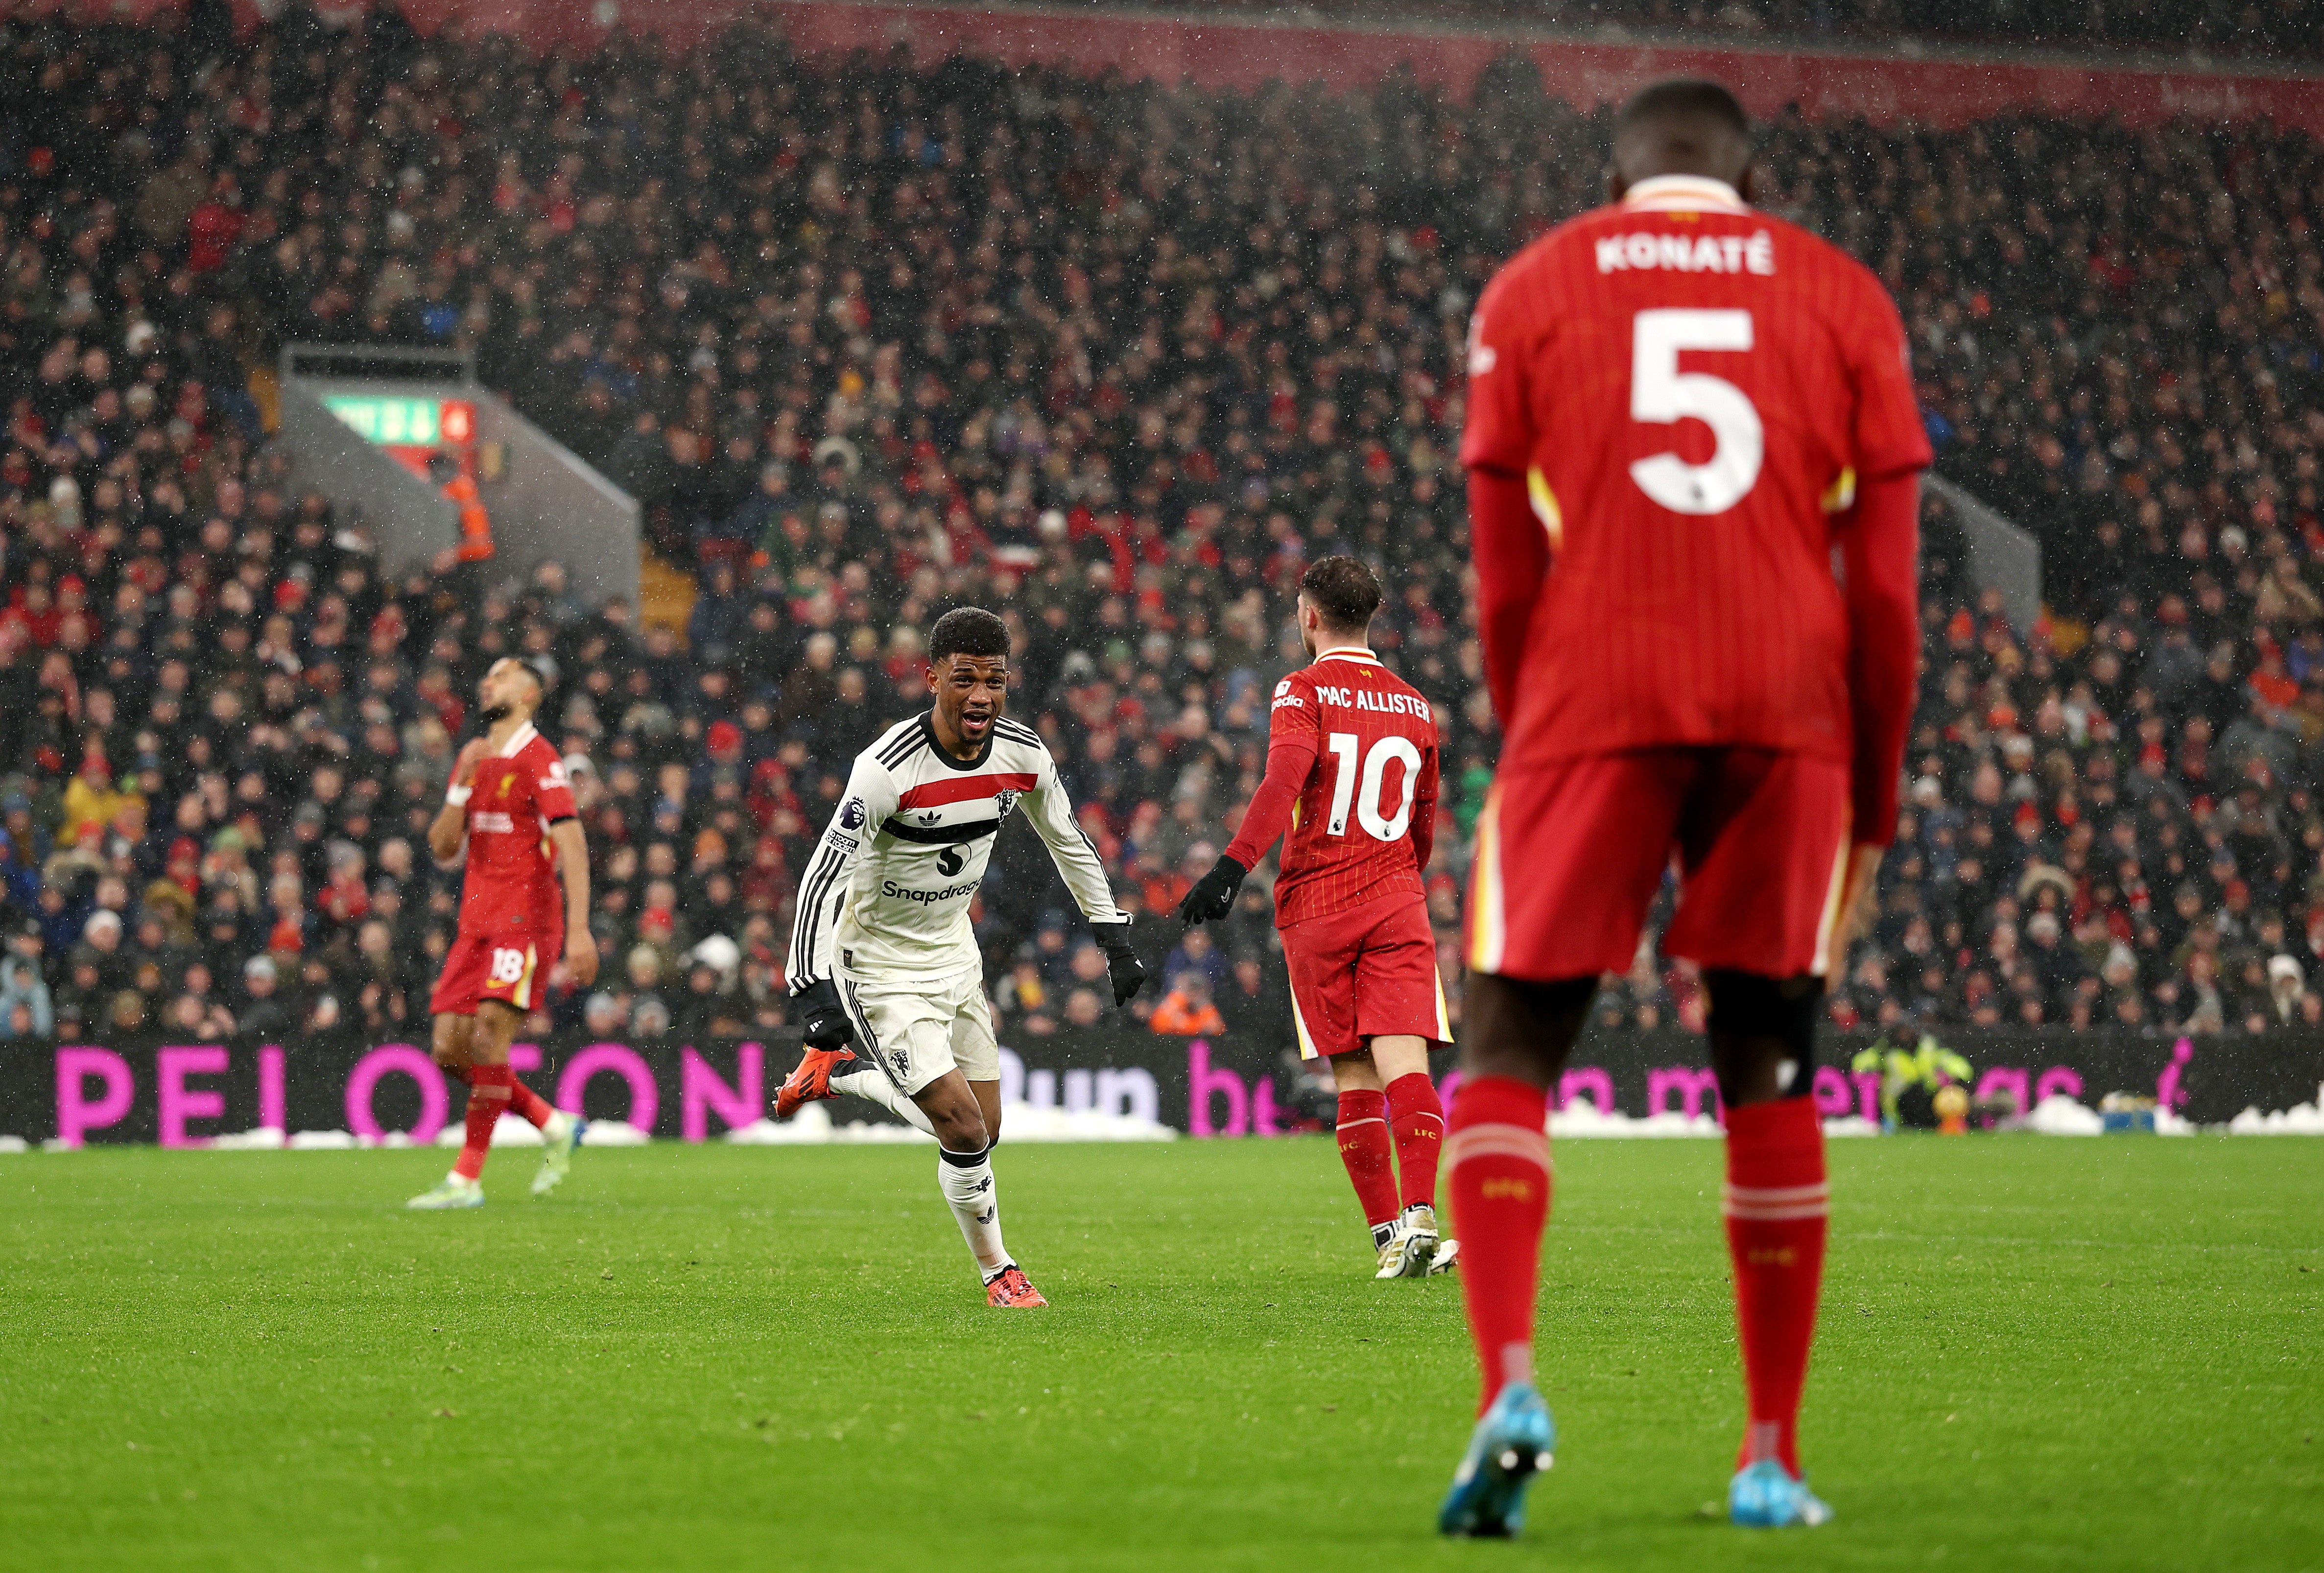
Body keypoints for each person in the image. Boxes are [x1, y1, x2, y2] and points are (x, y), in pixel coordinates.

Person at [1441, 80, 1927, 1535]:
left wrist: (1536, 731)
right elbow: (1888, 591)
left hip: (1591, 692)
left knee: (1511, 1031)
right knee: (1769, 1055)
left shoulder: (1533, 286)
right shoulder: (1841, 296)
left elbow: (1499, 566)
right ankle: (1769, 1451)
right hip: (1788, 712)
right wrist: (1877, 788)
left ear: (1622, 173)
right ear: (1742, 173)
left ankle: (1508, 1383)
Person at [774, 607, 1145, 1307]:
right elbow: (824, 874)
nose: (981, 696)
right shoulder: (885, 770)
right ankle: (998, 1272)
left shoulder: (1022, 756)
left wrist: (1111, 933)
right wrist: (810, 987)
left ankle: (834, 1081)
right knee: (963, 1127)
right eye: (965, 679)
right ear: (932, 678)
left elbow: (1067, 840)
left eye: (995, 682)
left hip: (954, 955)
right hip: (876, 964)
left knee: (984, 1128)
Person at [1180, 556, 1457, 1280]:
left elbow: (1282, 782)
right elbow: (1423, 825)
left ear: (1308, 617)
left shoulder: (1299, 690)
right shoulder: (1414, 704)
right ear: (1371, 617)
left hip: (1318, 907)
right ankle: (1424, 1212)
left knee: (1355, 1076)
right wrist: (1396, 873)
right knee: (1407, 1061)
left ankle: (1388, 1237)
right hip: (1397, 896)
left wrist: (1231, 867)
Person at [407, 658, 600, 1209]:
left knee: (490, 1038)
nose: (487, 681)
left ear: (530, 694)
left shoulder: (542, 760)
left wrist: (580, 930)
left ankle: (465, 1178)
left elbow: (573, 846)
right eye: (486, 675)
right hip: (476, 923)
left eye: (503, 676)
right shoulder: (475, 756)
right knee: (450, 1050)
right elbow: (444, 846)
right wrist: (460, 785)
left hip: (525, 922)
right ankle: (553, 1122)